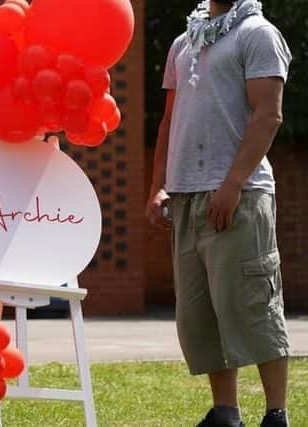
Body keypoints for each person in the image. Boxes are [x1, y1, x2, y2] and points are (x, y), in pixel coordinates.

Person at [145, 0, 292, 426]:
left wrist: (232, 184)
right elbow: (169, 122)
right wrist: (158, 187)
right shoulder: (182, 42)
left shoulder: (257, 34)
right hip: (187, 197)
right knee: (200, 314)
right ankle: (226, 413)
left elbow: (269, 115)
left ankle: (275, 414)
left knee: (252, 306)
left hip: (240, 195)